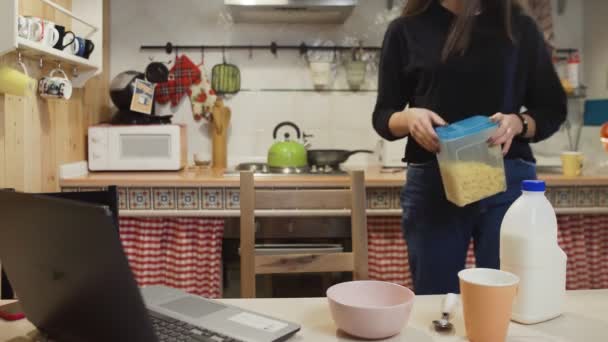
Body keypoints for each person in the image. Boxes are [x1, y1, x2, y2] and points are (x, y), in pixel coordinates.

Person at [372, 0, 566, 294]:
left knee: (508, 300)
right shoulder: (405, 30)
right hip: (434, 183)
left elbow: (552, 109)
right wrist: (410, 118)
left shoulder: (520, 28)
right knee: (436, 302)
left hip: (507, 181)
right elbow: (383, 116)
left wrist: (518, 122)